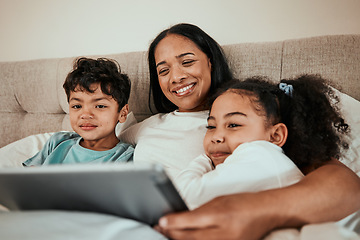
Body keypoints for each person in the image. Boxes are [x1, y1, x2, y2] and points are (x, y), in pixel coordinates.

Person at [118, 23, 360, 240]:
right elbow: (105, 138)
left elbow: (344, 186)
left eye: (187, 61)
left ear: (210, 61)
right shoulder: (146, 126)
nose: (177, 77)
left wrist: (248, 211)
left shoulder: (253, 115)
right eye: (163, 70)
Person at [175, 76, 348, 210]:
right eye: (211, 126)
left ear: (275, 136)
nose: (216, 137)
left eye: (234, 125)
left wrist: (203, 159)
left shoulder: (259, 154)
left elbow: (184, 195)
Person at [23, 57, 134, 166]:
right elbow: (26, 178)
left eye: (100, 106)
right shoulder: (58, 142)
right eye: (76, 106)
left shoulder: (124, 157)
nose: (85, 115)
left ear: (123, 113)